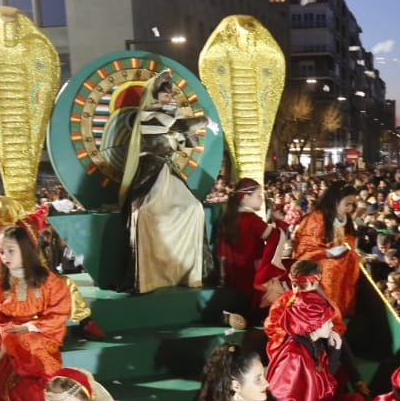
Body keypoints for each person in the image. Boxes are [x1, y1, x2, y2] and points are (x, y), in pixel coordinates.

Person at [120, 70, 206, 294]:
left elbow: (188, 140)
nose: (168, 99)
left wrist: (183, 121)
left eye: (170, 96)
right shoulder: (149, 116)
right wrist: (202, 120)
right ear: (155, 97)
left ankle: (188, 271)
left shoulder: (171, 114)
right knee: (147, 213)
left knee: (194, 208)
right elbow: (179, 128)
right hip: (150, 171)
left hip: (167, 170)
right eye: (164, 96)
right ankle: (150, 275)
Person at [0, 222, 72, 395]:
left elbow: (59, 311)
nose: (5, 256)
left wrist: (29, 327)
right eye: (1, 251)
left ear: (25, 249)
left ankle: (38, 393)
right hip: (7, 330)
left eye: (11, 250)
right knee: (4, 342)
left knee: (31, 344)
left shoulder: (47, 280)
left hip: (40, 332)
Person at [214, 177, 284, 326]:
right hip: (251, 271)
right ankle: (246, 319)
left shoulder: (227, 219)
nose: (261, 200)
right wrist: (279, 222)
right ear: (245, 197)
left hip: (233, 271)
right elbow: (275, 237)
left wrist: (222, 275)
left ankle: (233, 316)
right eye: (258, 196)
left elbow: (221, 252)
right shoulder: (252, 220)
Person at [291, 180, 362, 320]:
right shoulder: (316, 218)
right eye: (346, 204)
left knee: (351, 260)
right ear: (335, 201)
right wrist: (327, 253)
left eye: (352, 205)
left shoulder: (345, 219)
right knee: (332, 268)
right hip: (317, 261)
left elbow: (348, 239)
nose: (350, 209)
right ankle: (326, 312)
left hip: (340, 258)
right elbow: (305, 246)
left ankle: (341, 310)